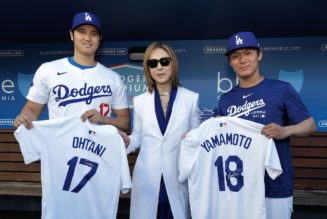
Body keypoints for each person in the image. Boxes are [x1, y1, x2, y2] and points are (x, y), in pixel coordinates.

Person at [217, 31, 316, 219]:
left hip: (276, 184)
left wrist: (286, 130)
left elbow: (310, 125)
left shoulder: (282, 89)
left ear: (259, 55)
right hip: (239, 187)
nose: (242, 60)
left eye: (248, 53)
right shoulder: (226, 99)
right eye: (235, 56)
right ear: (230, 63)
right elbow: (217, 137)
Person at [119, 42, 201, 219]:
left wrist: (193, 138)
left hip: (178, 178)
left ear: (173, 64)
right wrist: (129, 141)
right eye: (153, 63)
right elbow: (138, 136)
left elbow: (197, 139)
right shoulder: (140, 101)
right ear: (148, 69)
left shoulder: (191, 99)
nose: (159, 67)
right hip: (147, 178)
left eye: (164, 61)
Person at [13, 12, 130, 131]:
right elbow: (32, 109)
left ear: (99, 39)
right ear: (71, 35)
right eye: (81, 31)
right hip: (60, 146)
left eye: (93, 34)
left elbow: (125, 122)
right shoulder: (48, 70)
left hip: (98, 147)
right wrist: (24, 118)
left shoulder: (113, 77)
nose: (87, 38)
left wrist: (104, 119)